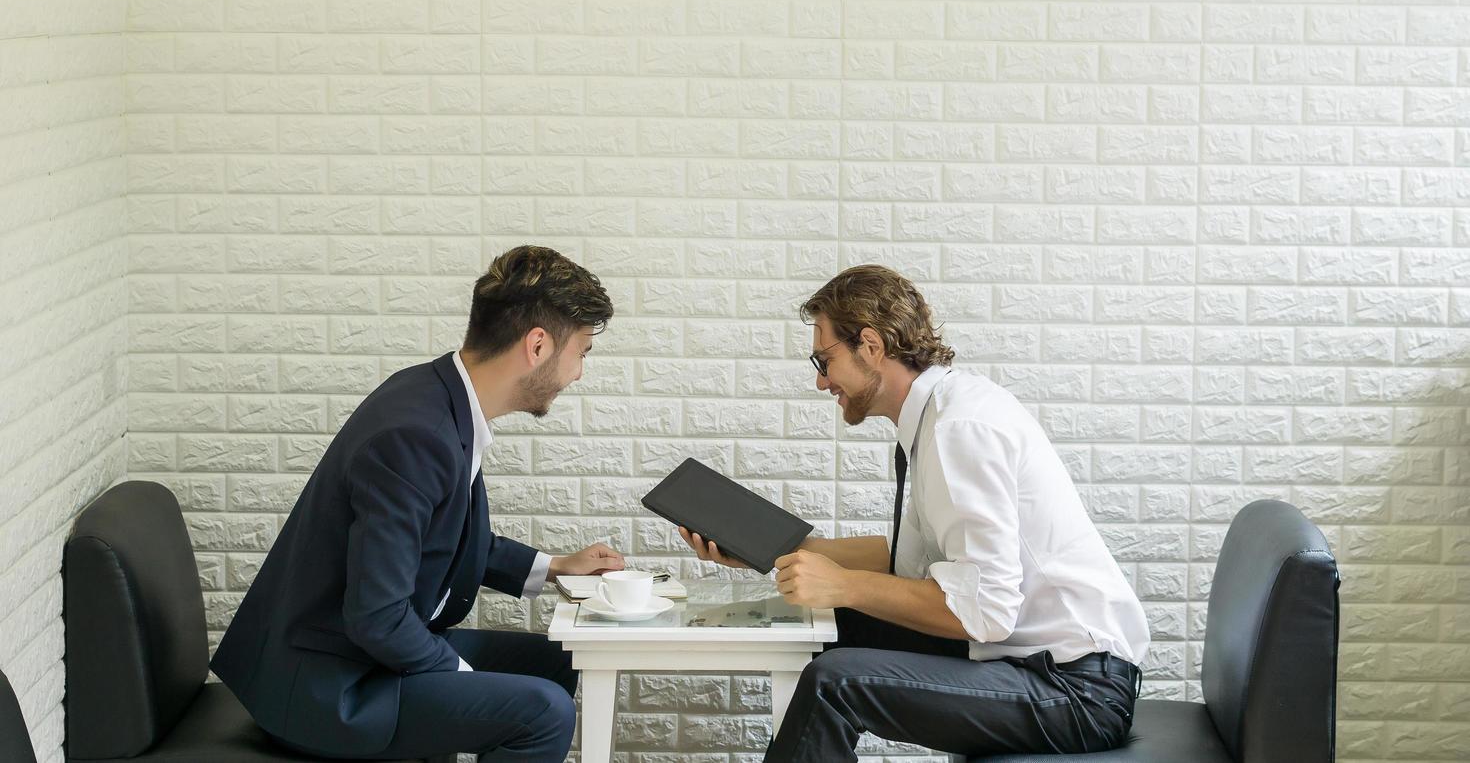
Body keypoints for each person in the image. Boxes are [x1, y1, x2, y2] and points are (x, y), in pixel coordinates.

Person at [681, 265, 1150, 762]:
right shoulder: (934, 418)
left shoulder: (959, 428)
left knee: (833, 683)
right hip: (1034, 664)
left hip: (1075, 692)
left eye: (823, 359)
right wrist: (778, 548)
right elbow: (910, 563)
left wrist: (842, 584)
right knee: (835, 624)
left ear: (871, 345)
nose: (821, 382)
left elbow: (985, 611)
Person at [212, 245, 624, 762]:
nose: (580, 373)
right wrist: (464, 683)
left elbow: (443, 534)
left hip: (361, 655)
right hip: (332, 688)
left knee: (557, 661)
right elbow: (378, 618)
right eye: (582, 352)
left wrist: (555, 567)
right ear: (538, 345)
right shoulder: (416, 435)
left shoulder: (437, 395)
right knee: (543, 711)